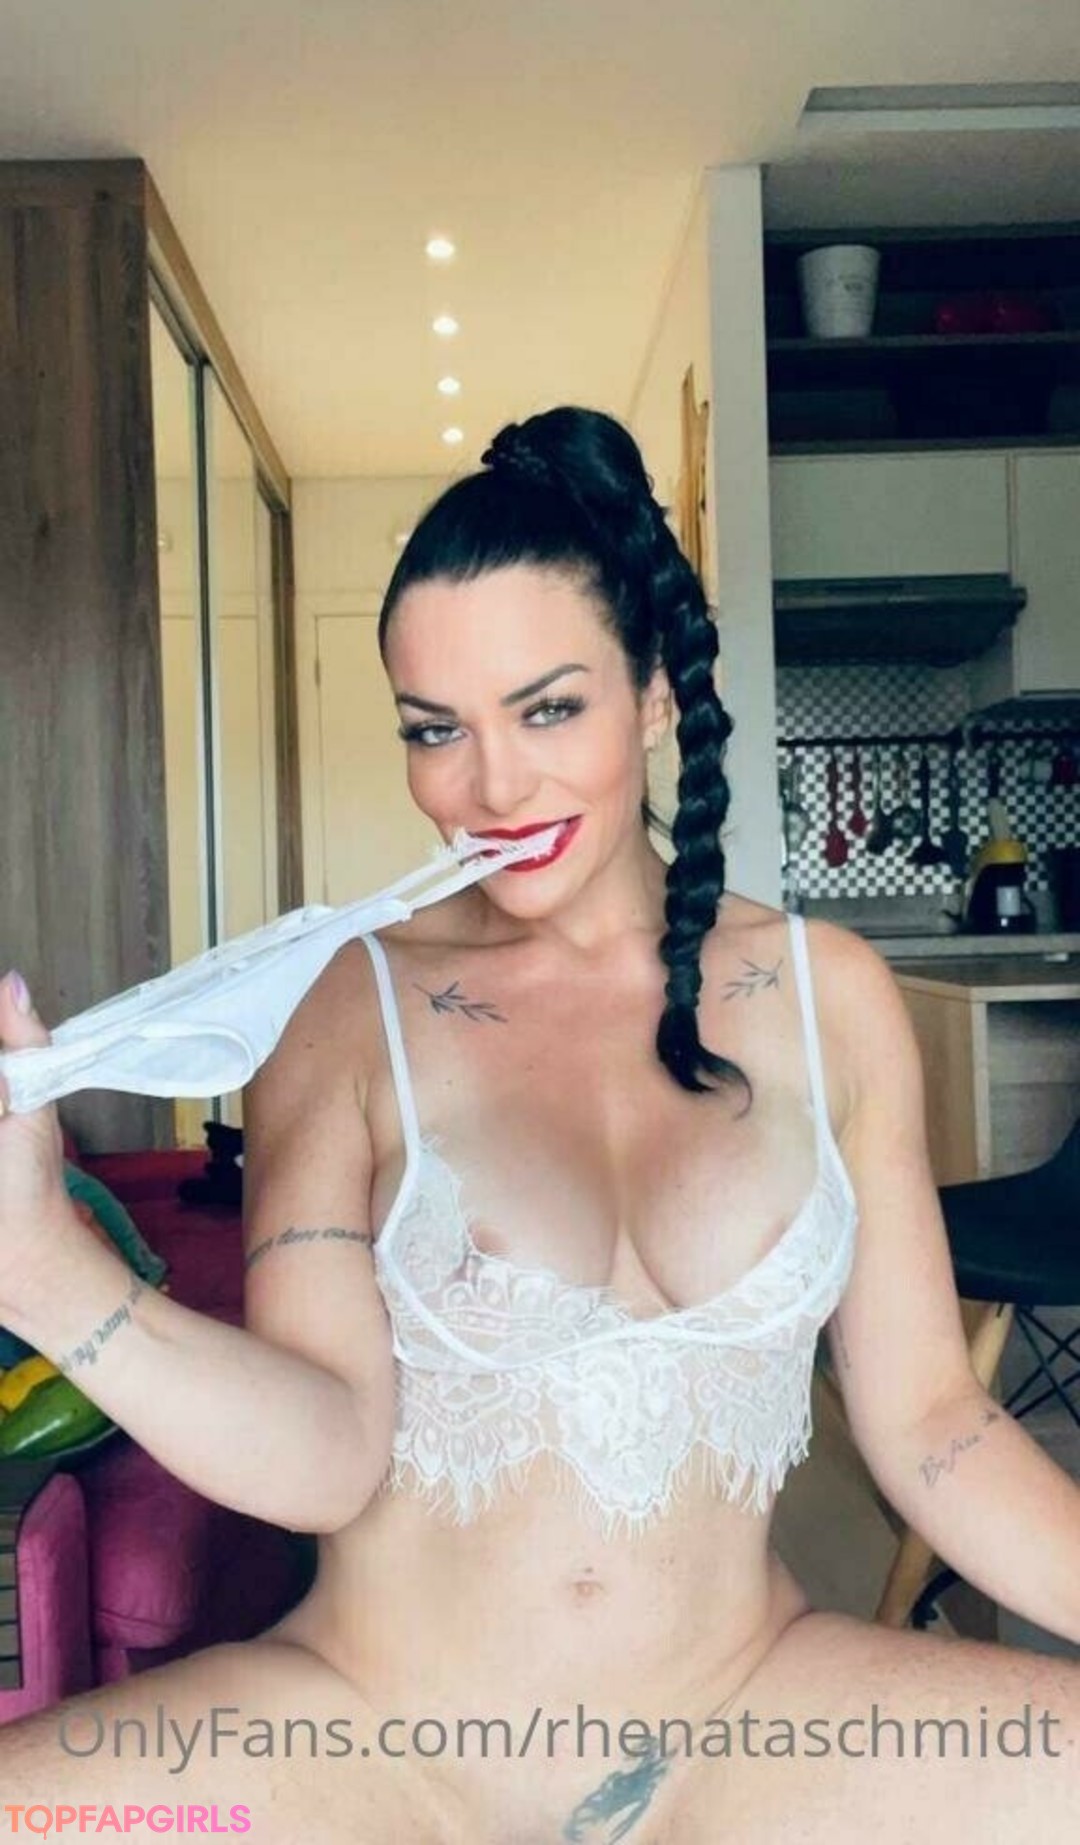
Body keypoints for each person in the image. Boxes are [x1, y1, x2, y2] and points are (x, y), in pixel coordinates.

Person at [0, 405, 1076, 1842]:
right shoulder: (351, 1010)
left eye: (548, 708)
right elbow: (326, 1451)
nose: (491, 788)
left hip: (749, 1715)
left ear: (654, 695)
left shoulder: (830, 998)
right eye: (435, 730)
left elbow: (935, 1424)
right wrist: (44, 1270)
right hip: (376, 1728)